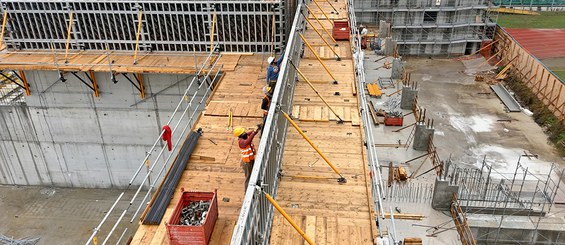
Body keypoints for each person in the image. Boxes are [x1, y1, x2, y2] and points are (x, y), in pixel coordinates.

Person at [233, 125, 260, 189]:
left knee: (254, 172)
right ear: (240, 135)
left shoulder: (245, 136)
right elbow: (248, 141)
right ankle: (247, 191)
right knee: (248, 176)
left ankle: (255, 186)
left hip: (251, 160)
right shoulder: (241, 142)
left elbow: (251, 133)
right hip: (246, 162)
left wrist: (257, 129)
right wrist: (253, 133)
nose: (245, 133)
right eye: (243, 132)